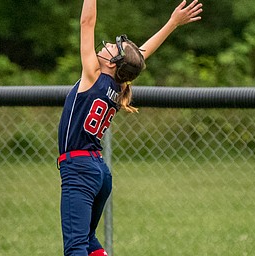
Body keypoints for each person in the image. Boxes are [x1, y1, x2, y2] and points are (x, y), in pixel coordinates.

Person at [57, 0, 203, 255]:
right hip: (99, 172)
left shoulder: (93, 75)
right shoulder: (118, 84)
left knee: (76, 248)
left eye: (112, 48)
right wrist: (172, 23)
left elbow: (86, 22)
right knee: (88, 240)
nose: (106, 47)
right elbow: (141, 55)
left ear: (113, 63)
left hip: (79, 169)